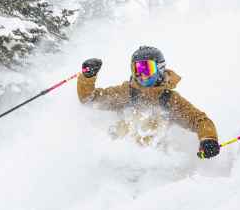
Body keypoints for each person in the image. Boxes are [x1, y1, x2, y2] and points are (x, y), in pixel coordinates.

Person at [78, 46, 221, 158]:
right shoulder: (127, 92)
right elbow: (90, 99)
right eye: (137, 69)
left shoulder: (170, 100)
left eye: (146, 69)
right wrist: (87, 77)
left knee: (156, 122)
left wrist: (208, 139)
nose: (141, 75)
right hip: (119, 157)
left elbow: (199, 120)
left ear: (160, 69)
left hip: (151, 163)